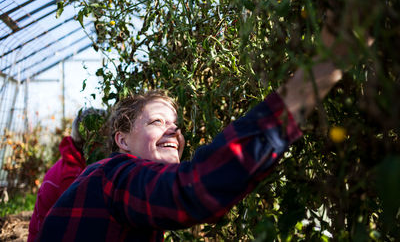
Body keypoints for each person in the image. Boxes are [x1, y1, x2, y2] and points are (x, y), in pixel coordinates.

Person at [36, 21, 345, 241]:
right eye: (156, 122)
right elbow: (197, 188)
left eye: (175, 125)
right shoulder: (115, 176)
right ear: (122, 140)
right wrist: (310, 84)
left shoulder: (121, 191)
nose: (173, 132)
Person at [28, 108, 107, 242]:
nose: (107, 146)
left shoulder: (76, 163)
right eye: (103, 141)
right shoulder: (71, 177)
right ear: (90, 144)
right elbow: (81, 226)